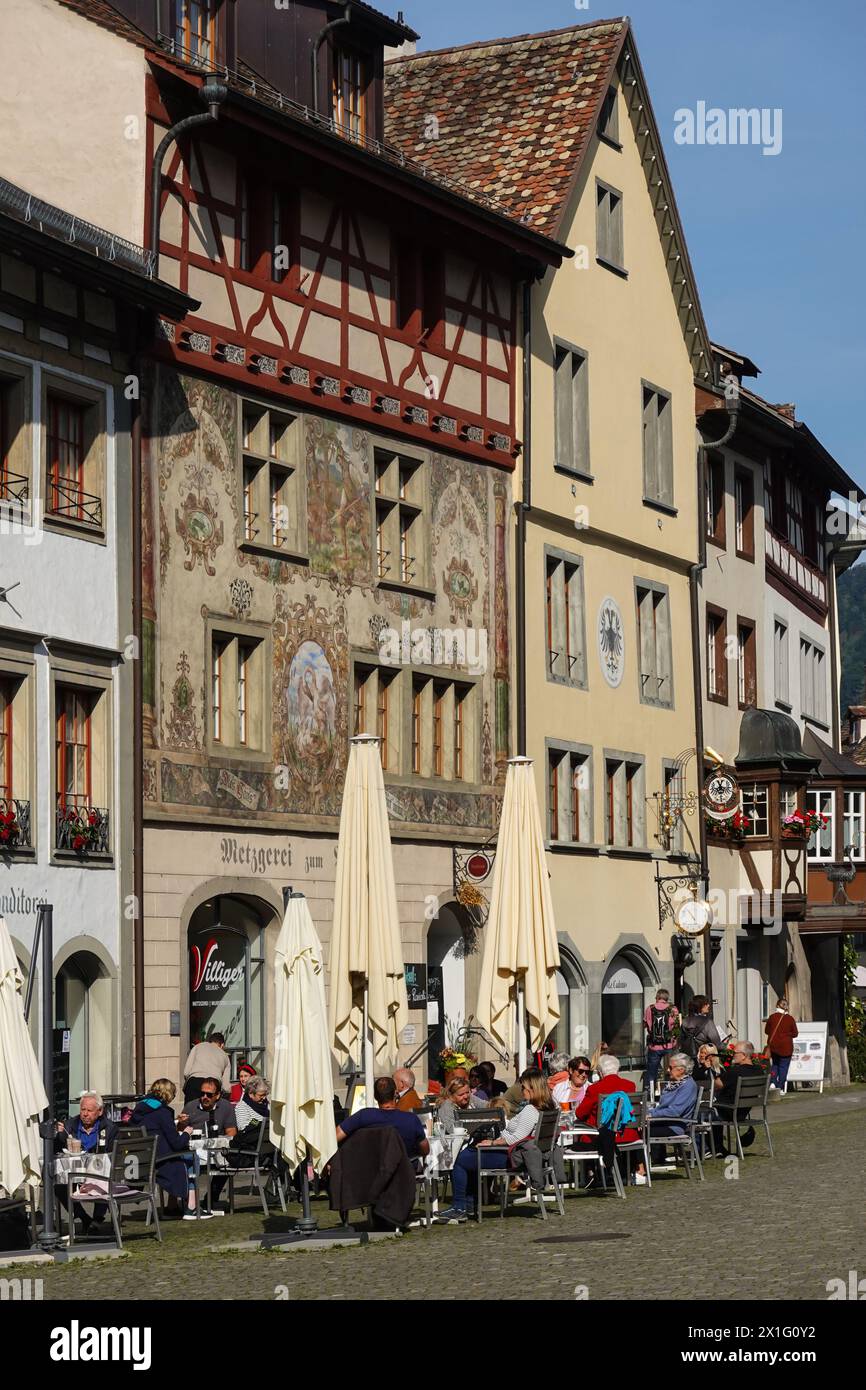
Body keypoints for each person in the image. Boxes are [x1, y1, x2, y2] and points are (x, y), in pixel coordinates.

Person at [438, 1069, 556, 1223]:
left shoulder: (529, 1110)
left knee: (460, 1161)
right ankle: (470, 1204)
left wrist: (493, 1142)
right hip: (523, 1155)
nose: (521, 1091)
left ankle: (460, 1207)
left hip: (512, 1156)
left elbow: (515, 1138)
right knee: (470, 1156)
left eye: (523, 1088)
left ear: (533, 1089)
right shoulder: (547, 1108)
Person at [131, 1079, 204, 1220]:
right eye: (174, 1094)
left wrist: (175, 1123)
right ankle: (192, 1207)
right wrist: (187, 1133)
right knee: (191, 1157)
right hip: (161, 1162)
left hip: (142, 1161)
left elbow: (157, 1130)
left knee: (181, 1157)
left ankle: (172, 1207)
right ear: (168, 1094)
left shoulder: (140, 1110)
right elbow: (176, 1144)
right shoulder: (162, 1112)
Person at [54, 1092, 118, 1237]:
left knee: (102, 1180)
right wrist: (58, 1135)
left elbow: (111, 1154)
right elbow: (57, 1150)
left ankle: (97, 1219)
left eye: (89, 1111)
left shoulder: (109, 1128)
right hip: (76, 1171)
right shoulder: (70, 1125)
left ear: (100, 1111)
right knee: (59, 1186)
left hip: (99, 1173)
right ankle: (83, 1217)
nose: (85, 1114)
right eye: (83, 1110)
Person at [633, 1053, 699, 1184]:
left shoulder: (688, 1086)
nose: (668, 1070)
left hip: (675, 1126)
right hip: (664, 1122)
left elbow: (675, 1111)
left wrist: (651, 1115)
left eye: (671, 1067)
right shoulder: (674, 1084)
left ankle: (641, 1169)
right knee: (633, 1127)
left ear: (681, 1069)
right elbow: (663, 1106)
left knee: (638, 1133)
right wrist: (647, 1112)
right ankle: (634, 1167)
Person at [335, 1076, 430, 1161]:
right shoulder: (411, 1119)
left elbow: (335, 1136)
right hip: (403, 1173)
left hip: (370, 1173)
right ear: (395, 1094)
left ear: (375, 1097)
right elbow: (425, 1150)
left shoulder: (363, 1116)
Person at [713, 1041, 764, 1154]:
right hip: (744, 1110)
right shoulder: (759, 1070)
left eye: (735, 1053)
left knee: (706, 1113)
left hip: (729, 1110)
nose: (732, 1055)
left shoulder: (736, 1071)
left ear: (744, 1055)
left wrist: (711, 1068)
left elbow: (717, 1084)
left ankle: (714, 1148)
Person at [644, 990, 680, 1090]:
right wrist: (675, 1040)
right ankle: (671, 1091)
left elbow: (646, 1024)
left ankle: (650, 1094)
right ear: (667, 998)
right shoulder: (673, 1009)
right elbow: (677, 1027)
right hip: (669, 1045)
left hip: (654, 1046)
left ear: (657, 997)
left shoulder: (649, 1008)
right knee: (672, 1070)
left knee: (652, 1072)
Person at [182, 1032, 231, 1103]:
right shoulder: (225, 1055)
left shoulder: (198, 1047)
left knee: (189, 1111)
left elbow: (186, 1072)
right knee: (208, 1112)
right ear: (222, 1045)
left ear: (210, 1041)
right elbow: (226, 1087)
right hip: (213, 1085)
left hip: (194, 1082)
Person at [764, 998, 798, 1093]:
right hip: (786, 1047)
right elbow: (795, 1033)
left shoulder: (772, 1017)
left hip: (774, 1046)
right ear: (786, 1007)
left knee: (775, 1065)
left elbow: (766, 1031)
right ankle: (781, 1087)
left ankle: (773, 1083)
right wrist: (786, 1034)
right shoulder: (790, 1019)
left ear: (778, 1005)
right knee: (783, 1067)